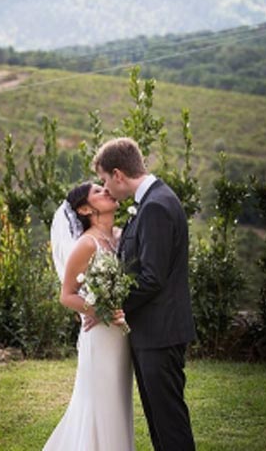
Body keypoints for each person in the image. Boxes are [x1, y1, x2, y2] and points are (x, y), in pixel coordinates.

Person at [91, 137, 196, 451]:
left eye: (106, 180)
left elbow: (151, 278)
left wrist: (109, 303)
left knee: (169, 422)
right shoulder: (150, 202)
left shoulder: (156, 207)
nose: (106, 188)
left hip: (160, 333)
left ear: (119, 174)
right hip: (152, 332)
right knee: (158, 421)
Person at [43, 181, 135, 451]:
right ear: (84, 209)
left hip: (121, 335)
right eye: (97, 191)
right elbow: (67, 294)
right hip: (100, 335)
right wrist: (100, 309)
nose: (106, 190)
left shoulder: (121, 235)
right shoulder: (86, 244)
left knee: (119, 402)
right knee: (100, 403)